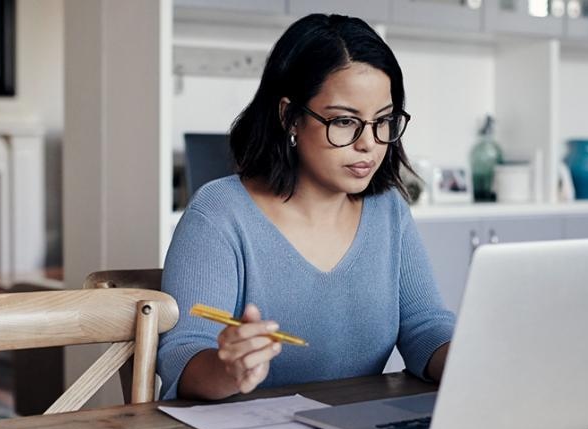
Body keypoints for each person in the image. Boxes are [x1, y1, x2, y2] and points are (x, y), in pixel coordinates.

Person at [158, 13, 455, 400]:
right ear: (290, 117)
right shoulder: (219, 213)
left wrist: (475, 360)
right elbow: (183, 356)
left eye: (383, 121)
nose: (369, 143)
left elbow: (424, 327)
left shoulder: (389, 211)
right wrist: (227, 368)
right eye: (345, 122)